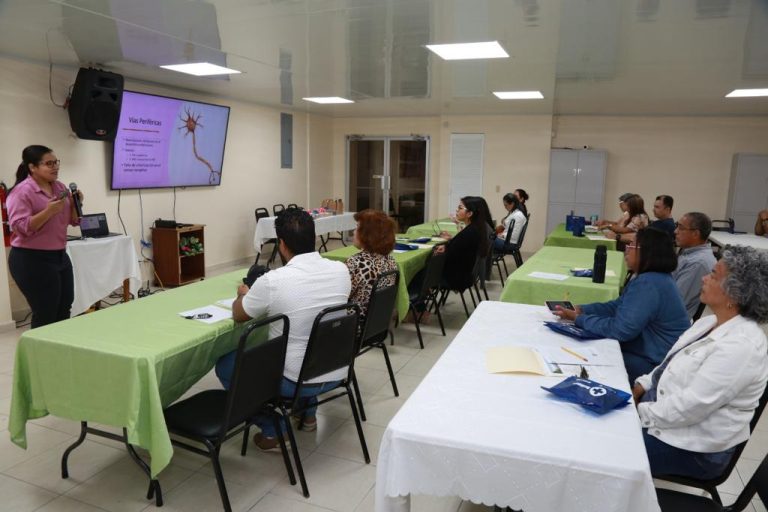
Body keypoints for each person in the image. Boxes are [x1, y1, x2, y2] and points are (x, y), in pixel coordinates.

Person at [216, 209, 351, 449]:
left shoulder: (274, 281)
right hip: (337, 370)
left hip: (294, 381)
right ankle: (307, 414)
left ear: (282, 244)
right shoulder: (341, 270)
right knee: (307, 339)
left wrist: (242, 294)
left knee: (227, 365)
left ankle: (274, 429)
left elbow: (239, 315)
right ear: (314, 237)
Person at [633, 245, 768, 479]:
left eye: (714, 275)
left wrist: (636, 413)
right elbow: (667, 366)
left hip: (693, 449)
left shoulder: (742, 346)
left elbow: (691, 406)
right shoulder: (707, 323)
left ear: (735, 294)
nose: (705, 277)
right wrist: (642, 386)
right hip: (666, 416)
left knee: (601, 448)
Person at [554, 228, 690, 382]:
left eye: (631, 245)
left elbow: (620, 330)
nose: (626, 249)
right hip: (650, 353)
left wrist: (579, 319)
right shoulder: (655, 278)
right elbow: (617, 306)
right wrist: (583, 309)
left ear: (646, 252)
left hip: (654, 365)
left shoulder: (649, 283)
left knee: (584, 356)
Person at [7, 145, 82, 328]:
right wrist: (48, 212)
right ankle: (40, 356)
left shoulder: (59, 187)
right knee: (45, 311)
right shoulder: (22, 192)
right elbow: (20, 227)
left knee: (64, 307)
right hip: (31, 258)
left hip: (59, 256)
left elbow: (73, 221)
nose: (55, 167)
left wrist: (75, 205)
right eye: (49, 163)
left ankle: (59, 352)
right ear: (33, 167)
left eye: (56, 162)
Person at [345, 209, 397, 324]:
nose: (354, 232)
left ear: (367, 233)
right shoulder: (391, 261)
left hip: (355, 324)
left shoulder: (356, 262)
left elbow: (341, 295)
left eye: (357, 227)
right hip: (377, 325)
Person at [672, 212, 716, 319]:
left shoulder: (698, 263)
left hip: (668, 323)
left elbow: (674, 303)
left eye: (681, 228)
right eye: (676, 226)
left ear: (695, 234)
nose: (675, 231)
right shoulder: (689, 252)